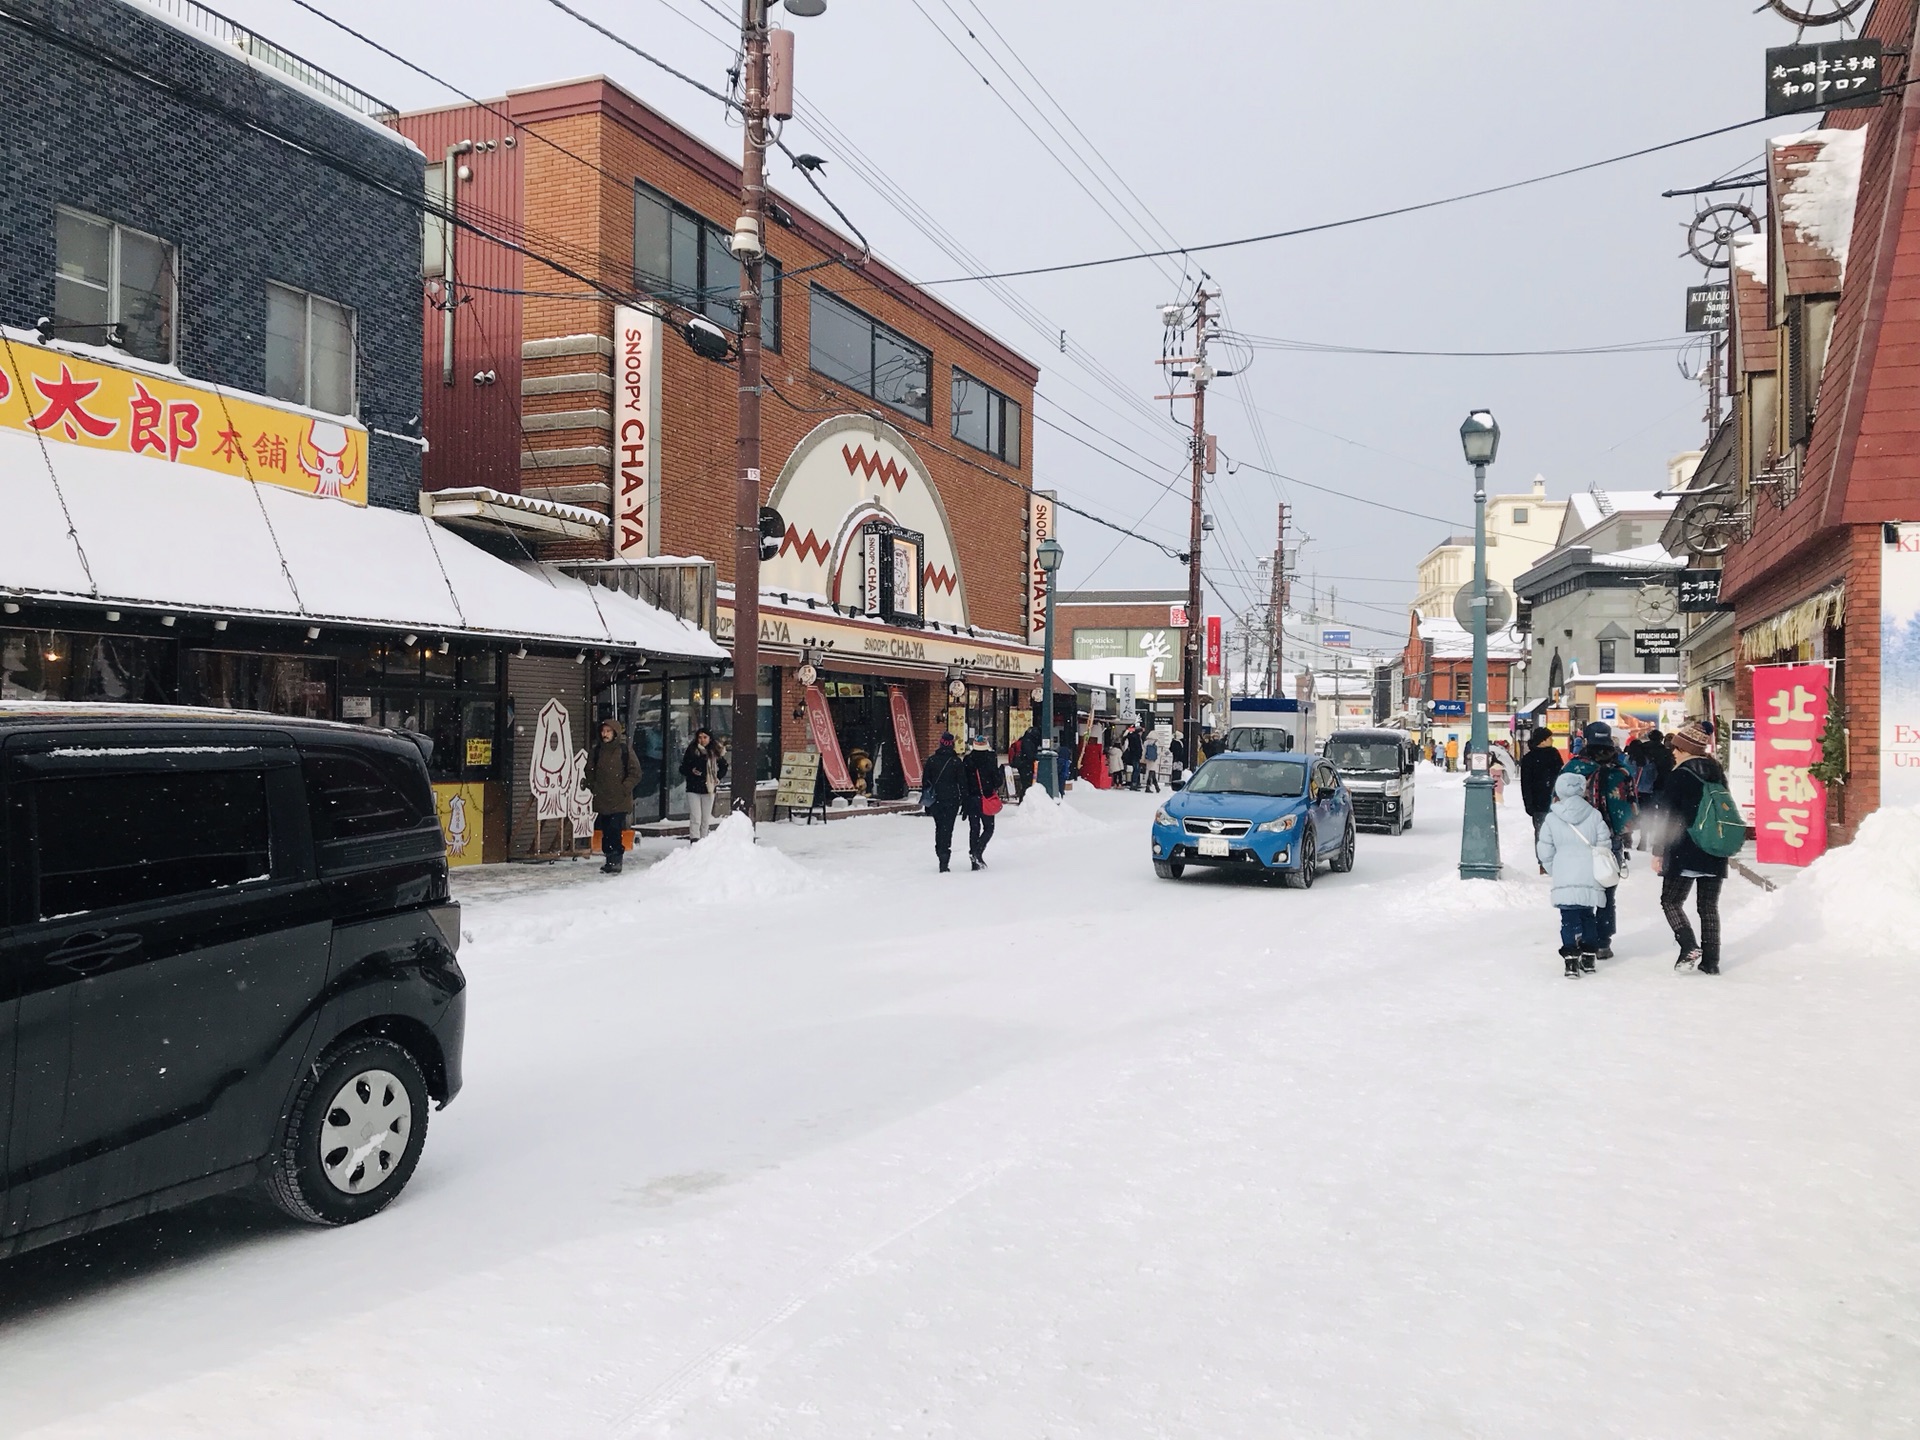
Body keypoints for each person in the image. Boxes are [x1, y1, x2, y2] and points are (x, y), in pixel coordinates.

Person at [1651, 720, 1729, 974]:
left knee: (1670, 901)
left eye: (1677, 747)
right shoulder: (1717, 773)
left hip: (1685, 848)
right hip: (1714, 848)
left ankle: (1688, 946)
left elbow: (1668, 817)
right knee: (1708, 907)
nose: (1673, 752)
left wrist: (1658, 851)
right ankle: (1711, 962)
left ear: (1687, 749)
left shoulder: (1679, 775)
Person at [1563, 721, 1638, 960]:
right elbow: (1633, 807)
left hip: (1578, 839)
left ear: (1586, 741)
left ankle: (1584, 937)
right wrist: (1624, 831)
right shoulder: (1622, 770)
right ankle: (1604, 941)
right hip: (1610, 839)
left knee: (1582, 889)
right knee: (1606, 890)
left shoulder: (1573, 769)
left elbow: (1557, 803)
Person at [1536, 769, 1614, 977]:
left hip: (1564, 871)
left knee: (1568, 918)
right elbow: (1604, 844)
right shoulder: (1595, 815)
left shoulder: (1552, 818)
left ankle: (1571, 959)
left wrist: (1555, 868)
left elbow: (1544, 848)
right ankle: (1589, 957)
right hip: (1589, 872)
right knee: (1588, 915)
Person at [583, 716, 639, 874]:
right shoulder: (597, 751)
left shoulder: (624, 751)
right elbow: (589, 771)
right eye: (603, 731)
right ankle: (609, 858)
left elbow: (635, 772)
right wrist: (592, 785)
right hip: (602, 797)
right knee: (606, 830)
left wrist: (624, 787)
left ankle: (616, 859)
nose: (605, 734)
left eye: (608, 731)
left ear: (615, 733)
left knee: (615, 829)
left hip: (619, 799)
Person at [1519, 726, 1565, 868]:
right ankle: (1549, 861)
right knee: (1551, 832)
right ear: (1543, 741)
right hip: (1552, 801)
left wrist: (1529, 803)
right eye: (1550, 738)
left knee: (1544, 832)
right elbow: (1562, 776)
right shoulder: (1551, 755)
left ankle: (1546, 862)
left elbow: (1525, 784)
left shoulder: (1530, 758)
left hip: (1543, 802)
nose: (1552, 740)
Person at [922, 731, 964, 872]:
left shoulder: (932, 760)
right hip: (952, 800)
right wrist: (964, 800)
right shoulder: (956, 762)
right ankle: (944, 856)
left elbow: (925, 782)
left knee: (939, 827)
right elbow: (962, 783)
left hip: (936, 800)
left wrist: (926, 802)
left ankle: (940, 850)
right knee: (948, 828)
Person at [679, 727, 728, 841]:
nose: (702, 740)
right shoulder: (692, 750)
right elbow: (683, 768)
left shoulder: (715, 752)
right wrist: (692, 771)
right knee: (696, 817)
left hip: (709, 788)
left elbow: (723, 766)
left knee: (705, 818)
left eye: (705, 737)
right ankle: (695, 840)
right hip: (693, 788)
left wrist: (717, 777)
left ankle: (704, 840)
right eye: (700, 737)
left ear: (710, 738)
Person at [962, 734, 1002, 870]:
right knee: (989, 827)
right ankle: (977, 852)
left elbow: (964, 781)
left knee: (974, 828)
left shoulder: (967, 760)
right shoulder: (990, 759)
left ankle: (974, 860)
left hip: (972, 798)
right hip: (987, 797)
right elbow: (997, 781)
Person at [1123, 725, 1144, 791]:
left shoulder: (1131, 737)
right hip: (1136, 756)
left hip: (1132, 755)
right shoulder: (1136, 737)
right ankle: (1134, 784)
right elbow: (1138, 748)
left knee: (1135, 770)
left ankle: (1134, 783)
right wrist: (1139, 754)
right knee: (1136, 770)